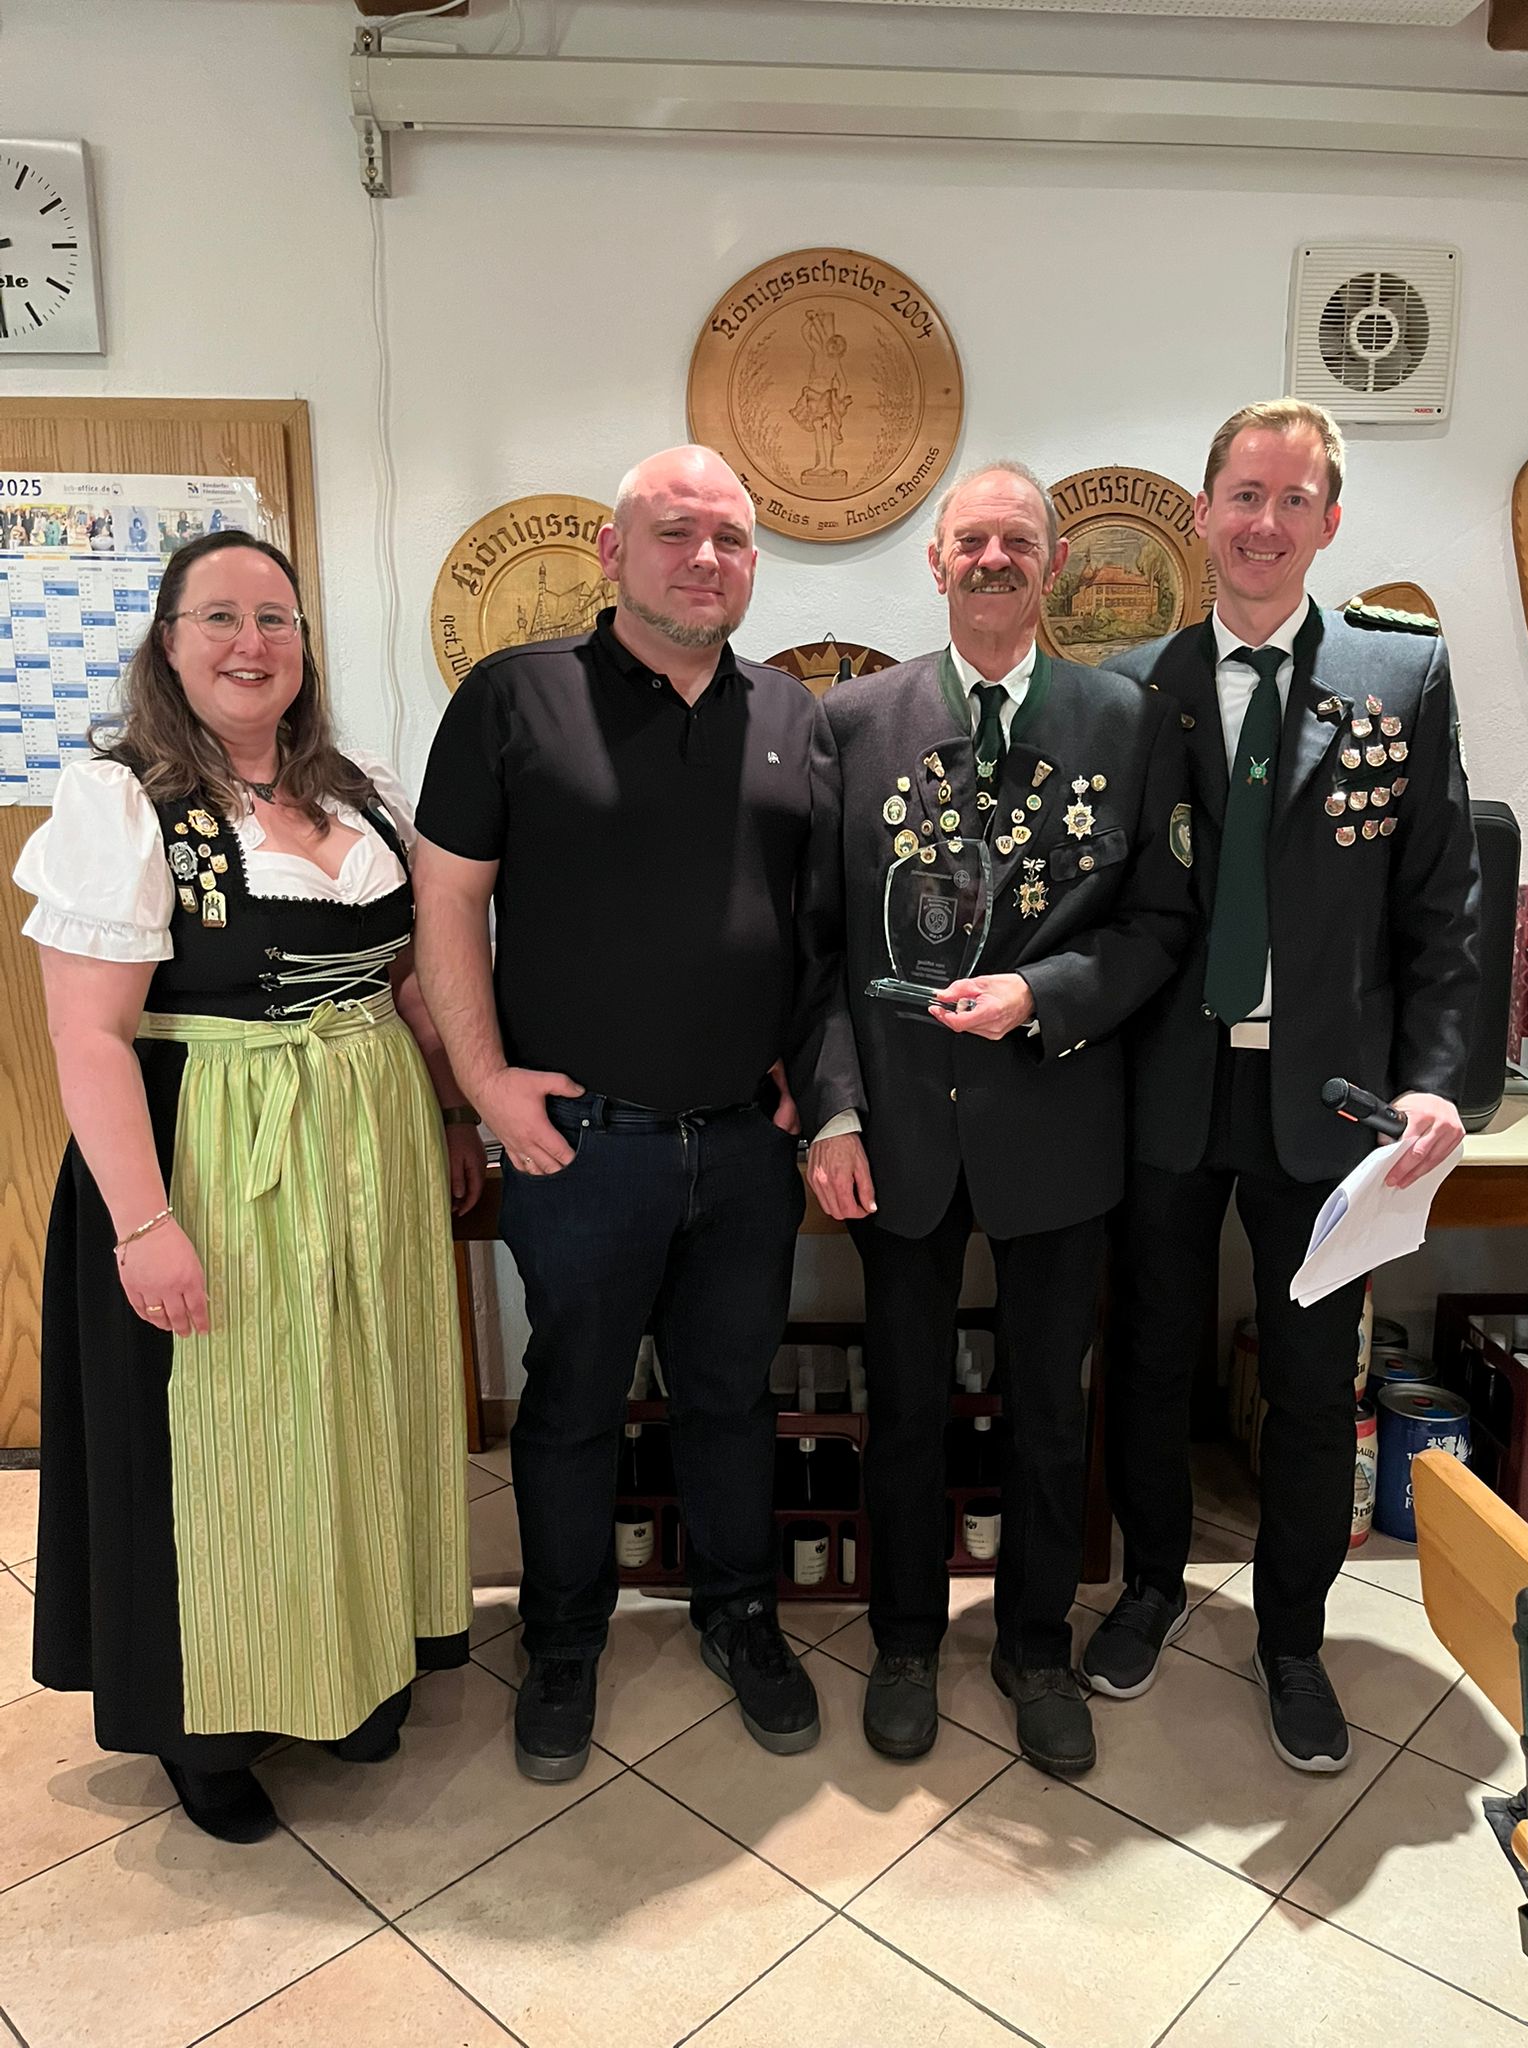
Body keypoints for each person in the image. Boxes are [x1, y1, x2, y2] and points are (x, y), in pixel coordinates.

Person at [14, 531, 480, 1843]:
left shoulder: (356, 792)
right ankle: (208, 1725)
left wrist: (450, 1112)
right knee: (228, 1434)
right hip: (209, 1152)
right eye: (217, 617)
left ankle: (350, 1668)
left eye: (274, 618)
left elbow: (403, 979)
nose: (250, 642)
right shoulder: (126, 803)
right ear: (167, 642)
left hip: (369, 1143)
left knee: (357, 1405)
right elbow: (87, 1036)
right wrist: (144, 1224)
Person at [412, 444, 827, 1783]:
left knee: (729, 1396)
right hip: (583, 1144)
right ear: (612, 550)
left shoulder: (793, 713)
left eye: (732, 539)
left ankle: (740, 1613)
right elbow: (445, 902)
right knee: (574, 1402)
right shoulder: (514, 696)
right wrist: (482, 1083)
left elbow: (812, 921)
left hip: (746, 1146)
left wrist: (808, 1073)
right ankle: (562, 1637)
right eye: (676, 531)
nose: (706, 559)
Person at [1089, 399, 1480, 1771]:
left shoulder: (1400, 674)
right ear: (1203, 513)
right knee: (1149, 1359)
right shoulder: (1129, 685)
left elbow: (1443, 903)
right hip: (1167, 1088)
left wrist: (1439, 1083)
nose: (1264, 522)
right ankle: (1149, 1586)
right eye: (1243, 496)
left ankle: (1295, 1638)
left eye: (1293, 498)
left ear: (1328, 521)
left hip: (1330, 1105)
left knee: (1315, 1384)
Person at [799, 460, 1196, 1776]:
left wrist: (1043, 992)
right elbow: (820, 947)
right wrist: (833, 1113)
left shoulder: (1124, 721)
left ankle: (1034, 1647)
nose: (992, 559)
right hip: (902, 1129)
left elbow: (1158, 924)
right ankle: (906, 1641)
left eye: (1017, 541)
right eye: (970, 539)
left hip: (1057, 1118)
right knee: (907, 1405)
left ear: (1055, 562)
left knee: (1047, 1412)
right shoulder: (854, 723)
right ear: (935, 561)